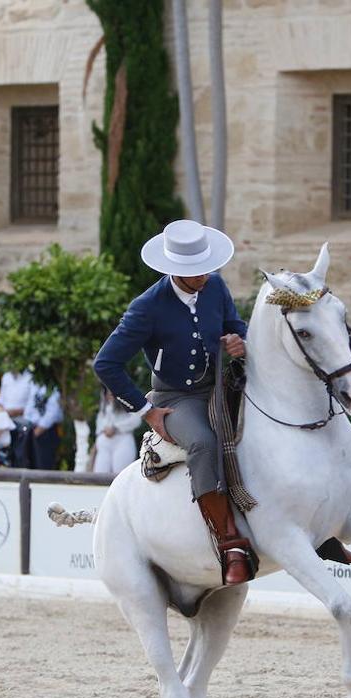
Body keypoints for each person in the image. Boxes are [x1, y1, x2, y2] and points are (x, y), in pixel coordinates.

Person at [93, 219, 254, 585]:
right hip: (177, 398)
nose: (205, 276)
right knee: (202, 442)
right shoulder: (146, 307)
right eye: (195, 271)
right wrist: (146, 411)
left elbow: (236, 325)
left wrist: (239, 343)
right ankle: (229, 542)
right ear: (175, 271)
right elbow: (106, 363)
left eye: (206, 267)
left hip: (220, 384)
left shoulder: (216, 286)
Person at [92, 389, 142, 474]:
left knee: (120, 474)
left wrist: (115, 428)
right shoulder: (104, 404)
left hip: (122, 440)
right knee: (99, 474)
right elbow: (100, 423)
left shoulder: (127, 402)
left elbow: (136, 420)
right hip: (104, 443)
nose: (109, 394)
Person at [24, 382, 64, 470]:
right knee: (29, 464)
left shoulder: (54, 386)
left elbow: (52, 414)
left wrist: (36, 432)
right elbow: (29, 405)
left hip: (47, 431)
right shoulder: (34, 384)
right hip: (31, 428)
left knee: (43, 465)